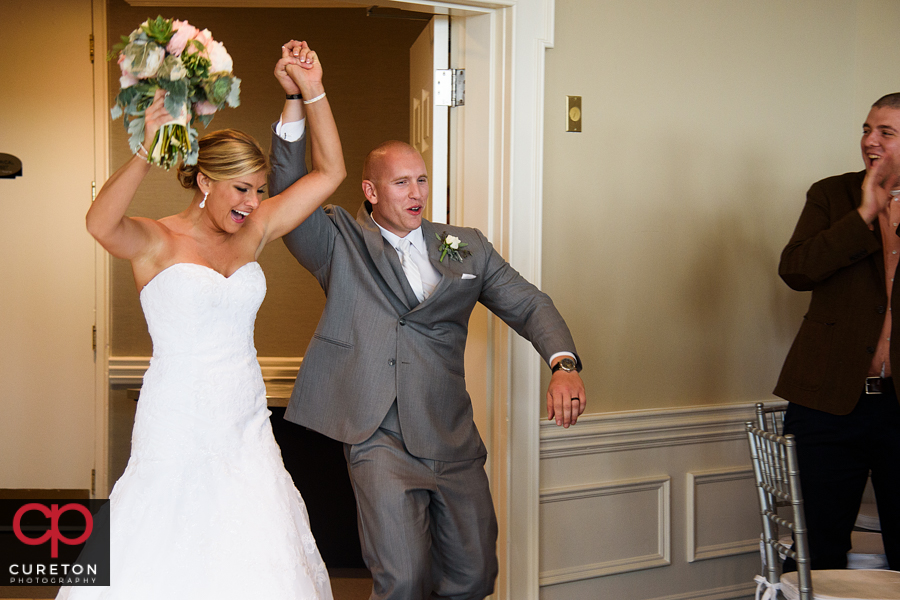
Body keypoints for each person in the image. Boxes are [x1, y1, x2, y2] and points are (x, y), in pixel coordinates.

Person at [58, 41, 345, 599]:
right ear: (206, 181)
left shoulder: (255, 230)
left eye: (259, 191)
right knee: (167, 534)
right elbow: (99, 222)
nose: (252, 202)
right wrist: (145, 147)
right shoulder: (156, 241)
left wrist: (311, 89)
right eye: (242, 189)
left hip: (244, 416)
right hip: (177, 414)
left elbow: (330, 171)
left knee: (255, 540)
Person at [268, 131, 586, 596]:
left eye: (421, 180)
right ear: (371, 191)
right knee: (403, 579)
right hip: (379, 437)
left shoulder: (463, 245)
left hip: (451, 435)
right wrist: (298, 101)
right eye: (401, 183)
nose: (416, 193)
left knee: (473, 576)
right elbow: (288, 186)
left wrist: (564, 365)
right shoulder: (339, 241)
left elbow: (530, 304)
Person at [775, 93, 900, 571]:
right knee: (816, 550)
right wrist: (864, 216)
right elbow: (797, 270)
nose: (870, 141)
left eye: (885, 133)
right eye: (867, 129)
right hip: (827, 403)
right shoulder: (831, 195)